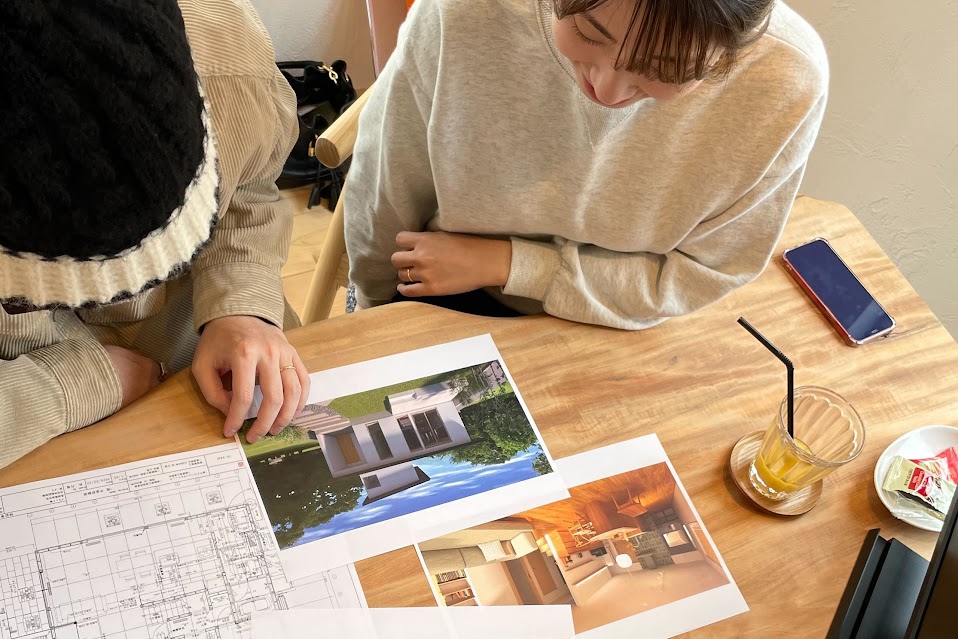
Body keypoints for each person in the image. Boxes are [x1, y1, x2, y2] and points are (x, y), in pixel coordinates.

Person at [345, 0, 828, 328]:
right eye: (587, 32)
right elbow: (384, 193)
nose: (607, 91)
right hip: (444, 290)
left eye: (666, 69)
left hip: (622, 320)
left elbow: (704, 274)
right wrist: (372, 310)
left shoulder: (785, 80)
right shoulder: (464, 13)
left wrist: (514, 264)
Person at [0, 0, 310, 470]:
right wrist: (68, 386)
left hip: (205, 337)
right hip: (32, 407)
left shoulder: (226, 57)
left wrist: (242, 306)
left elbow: (250, 186)